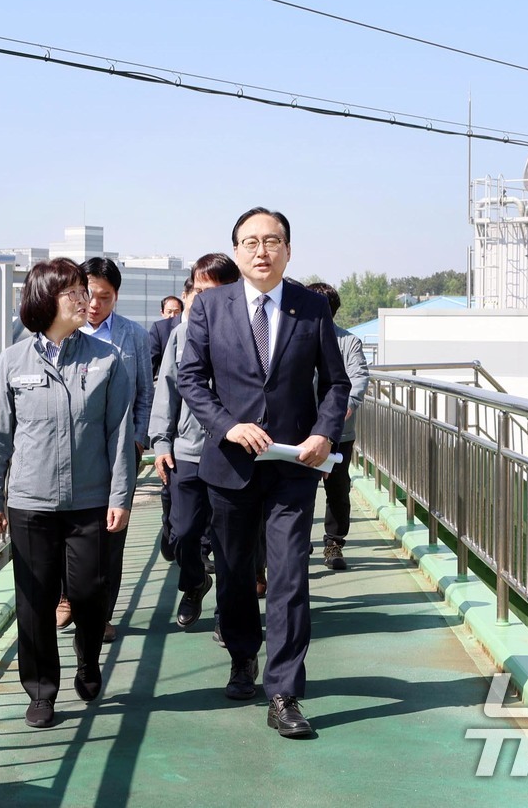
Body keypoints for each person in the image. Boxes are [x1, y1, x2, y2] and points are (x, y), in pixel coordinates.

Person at [176, 206, 349, 739]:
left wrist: (323, 432)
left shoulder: (310, 308)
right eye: (250, 242)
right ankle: (242, 657)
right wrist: (226, 426)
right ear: (236, 251)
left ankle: (284, 690)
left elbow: (336, 383)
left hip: (293, 468)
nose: (261, 251)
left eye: (271, 241)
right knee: (232, 573)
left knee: (291, 577)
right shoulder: (209, 306)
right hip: (229, 466)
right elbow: (190, 377)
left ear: (288, 249)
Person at [0, 258, 135, 729]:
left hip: (89, 500)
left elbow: (120, 435)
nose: (84, 299)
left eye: (84, 290)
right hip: (29, 501)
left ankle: (88, 659)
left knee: (89, 593)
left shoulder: (107, 360)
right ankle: (41, 691)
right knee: (34, 600)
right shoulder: (12, 361)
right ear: (46, 298)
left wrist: (121, 495)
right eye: (73, 292)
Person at [55, 256, 152, 644]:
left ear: (116, 297)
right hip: (71, 449)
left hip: (119, 448)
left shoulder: (134, 336)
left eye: (105, 297)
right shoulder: (60, 331)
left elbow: (145, 391)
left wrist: (139, 438)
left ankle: (101, 614)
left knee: (112, 533)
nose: (94, 305)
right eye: (88, 295)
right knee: (66, 524)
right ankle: (65, 598)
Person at [150, 253, 241, 630]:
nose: (204, 300)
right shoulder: (180, 334)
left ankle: (227, 612)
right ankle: (194, 583)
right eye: (198, 291)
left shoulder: (249, 332)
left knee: (229, 539)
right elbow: (167, 390)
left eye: (214, 291)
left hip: (233, 452)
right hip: (186, 450)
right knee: (183, 531)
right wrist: (161, 442)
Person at [305, 281, 372, 571]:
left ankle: (334, 543)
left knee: (337, 488)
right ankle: (296, 539)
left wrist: (347, 405)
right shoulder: (295, 337)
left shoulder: (348, 342)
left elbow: (359, 376)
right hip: (301, 429)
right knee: (298, 489)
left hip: (338, 431)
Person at [147, 294, 185, 559]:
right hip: (171, 410)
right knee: (171, 486)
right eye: (169, 310)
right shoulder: (162, 330)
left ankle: (200, 552)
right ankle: (169, 528)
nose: (173, 314)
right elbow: (152, 365)